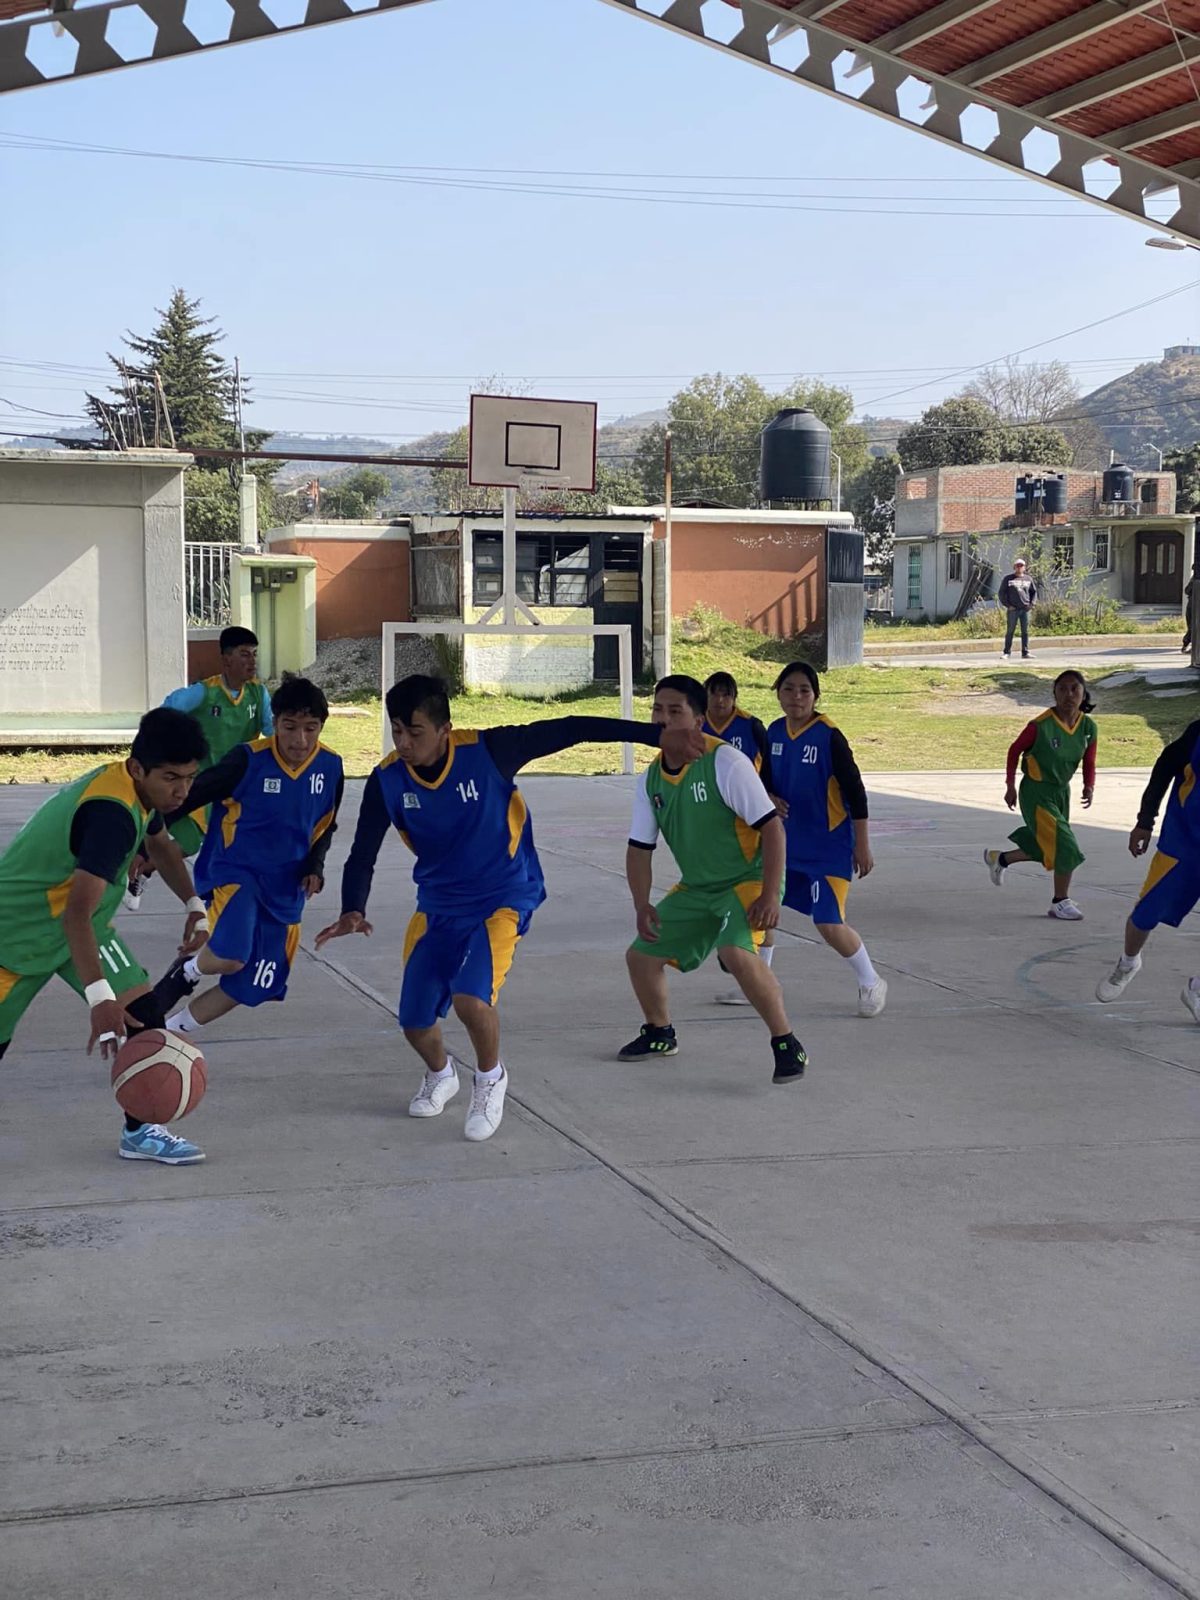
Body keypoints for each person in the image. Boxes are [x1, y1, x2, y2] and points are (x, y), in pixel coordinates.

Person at [316, 676, 706, 1143]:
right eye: (396, 730)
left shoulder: (490, 751)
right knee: (415, 1022)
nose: (403, 742)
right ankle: (442, 1075)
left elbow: (573, 726)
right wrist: (352, 906)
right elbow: (362, 850)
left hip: (503, 897)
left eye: (414, 731)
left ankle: (489, 1079)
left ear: (444, 729)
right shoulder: (387, 781)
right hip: (439, 906)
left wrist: (656, 736)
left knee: (470, 999)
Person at [0, 708, 211, 1165]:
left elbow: (161, 847)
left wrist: (195, 906)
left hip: (83, 929)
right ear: (138, 768)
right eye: (171, 777)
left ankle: (140, 1132)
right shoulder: (110, 815)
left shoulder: (138, 791)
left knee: (145, 1019)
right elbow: (75, 913)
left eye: (191, 778)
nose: (182, 791)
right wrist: (100, 1000)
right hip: (17, 935)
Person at [618, 675, 808, 1084]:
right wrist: (641, 904)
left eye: (676, 711)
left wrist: (771, 895)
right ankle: (659, 1032)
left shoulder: (725, 762)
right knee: (640, 956)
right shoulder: (650, 780)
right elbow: (639, 849)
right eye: (658, 710)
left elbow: (773, 829)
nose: (664, 720)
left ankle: (786, 1042)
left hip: (747, 879)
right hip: (698, 886)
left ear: (698, 720)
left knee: (736, 953)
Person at [151, 678, 344, 1038]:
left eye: (310, 729)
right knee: (231, 955)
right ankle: (191, 970)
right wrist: (148, 837)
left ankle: (168, 1031)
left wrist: (315, 866)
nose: (300, 740)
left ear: (322, 727)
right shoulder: (248, 760)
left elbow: (325, 826)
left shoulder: (331, 767)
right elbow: (189, 796)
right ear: (275, 722)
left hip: (286, 887)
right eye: (289, 728)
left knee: (255, 983)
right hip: (236, 873)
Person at [766, 662, 886, 1017]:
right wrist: (768, 797)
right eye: (788, 688)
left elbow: (856, 793)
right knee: (762, 911)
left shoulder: (829, 736)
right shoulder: (773, 733)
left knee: (828, 922)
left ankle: (870, 980)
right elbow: (761, 780)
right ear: (778, 693)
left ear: (816, 695)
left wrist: (862, 844)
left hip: (829, 848)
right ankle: (759, 977)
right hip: (786, 846)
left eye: (804, 689)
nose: (796, 696)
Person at [125, 626, 273, 908]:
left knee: (190, 844)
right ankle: (129, 866)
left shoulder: (259, 695)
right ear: (226, 659)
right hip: (196, 783)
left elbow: (273, 733)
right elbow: (165, 712)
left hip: (233, 786)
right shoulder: (204, 693)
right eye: (245, 654)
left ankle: (141, 869)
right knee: (162, 830)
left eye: (255, 654)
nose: (252, 661)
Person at [1095, 717, 1200, 1023]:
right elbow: (1164, 769)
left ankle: (1196, 989)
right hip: (1185, 843)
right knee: (1145, 914)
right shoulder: (1195, 735)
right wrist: (1145, 821)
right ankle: (1128, 962)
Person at [984, 669, 1097, 920]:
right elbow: (1014, 751)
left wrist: (1089, 785)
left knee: (1048, 845)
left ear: (1083, 693)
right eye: (1062, 689)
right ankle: (1060, 901)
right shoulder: (1040, 726)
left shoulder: (1088, 726)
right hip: (1036, 792)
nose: (1069, 694)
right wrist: (1010, 785)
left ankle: (1000, 859)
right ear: (1054, 693)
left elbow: (1089, 760)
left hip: (1061, 792)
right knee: (1066, 847)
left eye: (1074, 689)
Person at [702, 670, 774, 1005]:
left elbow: (771, 768)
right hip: (712, 823)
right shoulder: (696, 725)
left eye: (726, 694)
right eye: (715, 694)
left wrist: (772, 797)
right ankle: (747, 965)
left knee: (755, 891)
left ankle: (754, 970)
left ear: (735, 698)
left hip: (750, 820)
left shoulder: (751, 726)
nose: (720, 700)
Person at [998, 557, 1037, 660]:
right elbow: (1001, 593)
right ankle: (1007, 652)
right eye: (1017, 566)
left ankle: (1025, 652)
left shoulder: (1028, 579)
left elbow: (1034, 592)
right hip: (1013, 610)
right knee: (1010, 630)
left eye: (1021, 566)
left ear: (1024, 567)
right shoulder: (1008, 579)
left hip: (1025, 609)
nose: (1019, 567)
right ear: (1014, 567)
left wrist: (1032, 604)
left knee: (1025, 631)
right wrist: (1007, 605)